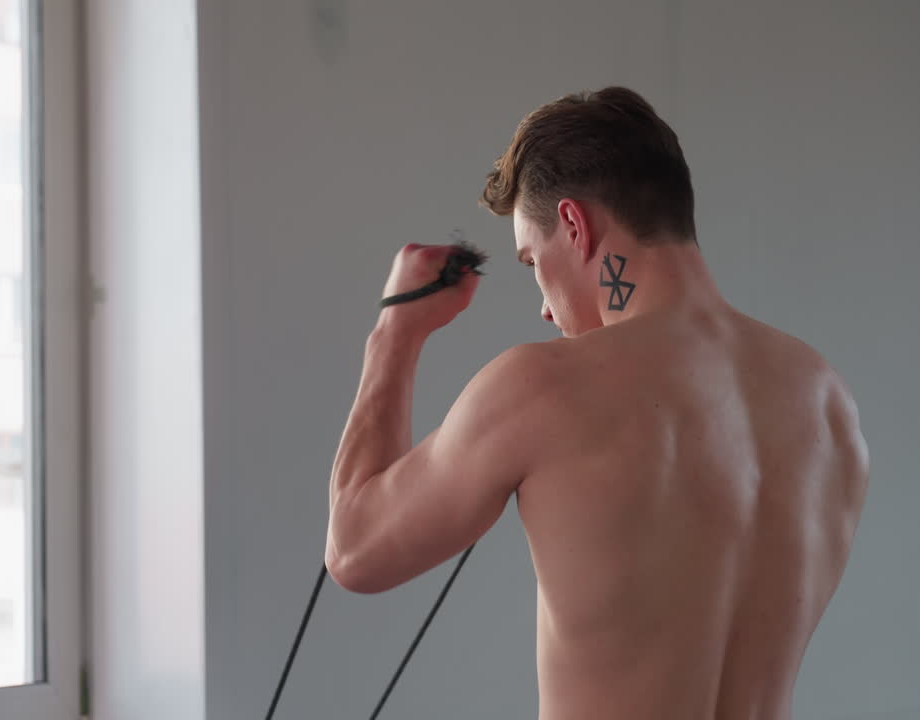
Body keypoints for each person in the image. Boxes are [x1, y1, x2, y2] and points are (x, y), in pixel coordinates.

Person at [325, 86, 870, 720]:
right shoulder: (825, 398)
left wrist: (395, 331)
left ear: (576, 227)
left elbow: (354, 551)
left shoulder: (542, 385)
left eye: (532, 258)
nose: (543, 304)